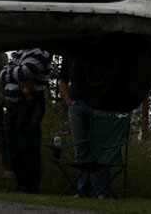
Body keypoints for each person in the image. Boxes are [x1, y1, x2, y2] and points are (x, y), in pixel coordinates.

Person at [0, 48, 52, 194]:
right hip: (13, 106)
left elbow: (25, 72)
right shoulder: (19, 53)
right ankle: (20, 183)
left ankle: (30, 186)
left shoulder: (40, 53)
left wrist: (13, 72)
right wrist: (17, 74)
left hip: (30, 104)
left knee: (27, 144)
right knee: (13, 145)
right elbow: (1, 74)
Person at [58, 55, 110, 198]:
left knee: (100, 148)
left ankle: (101, 190)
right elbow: (62, 79)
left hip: (99, 106)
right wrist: (69, 102)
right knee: (80, 149)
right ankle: (83, 190)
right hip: (77, 105)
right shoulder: (70, 55)